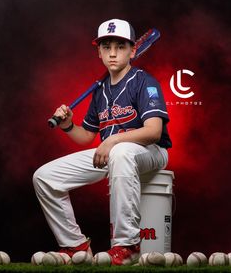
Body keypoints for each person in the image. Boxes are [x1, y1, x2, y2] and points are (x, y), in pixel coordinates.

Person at [33, 18, 172, 266]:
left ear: (133, 50)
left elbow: (153, 131)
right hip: (115, 155)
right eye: (106, 47)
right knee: (44, 176)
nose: (113, 53)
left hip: (151, 151)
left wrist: (113, 141)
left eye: (120, 46)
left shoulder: (144, 82)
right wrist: (67, 125)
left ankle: (127, 246)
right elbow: (86, 136)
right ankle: (75, 245)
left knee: (120, 152)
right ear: (99, 52)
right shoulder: (100, 90)